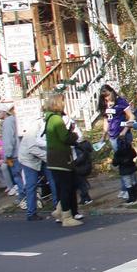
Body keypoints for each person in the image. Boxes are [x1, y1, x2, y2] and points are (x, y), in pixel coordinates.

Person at [43, 94, 82, 227]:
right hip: (61, 158)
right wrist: (74, 135)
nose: (65, 104)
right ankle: (66, 216)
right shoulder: (57, 120)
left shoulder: (49, 119)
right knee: (67, 187)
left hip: (53, 158)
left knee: (64, 186)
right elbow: (65, 138)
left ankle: (59, 210)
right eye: (63, 102)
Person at [17, 118, 48, 221]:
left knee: (35, 184)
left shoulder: (41, 127)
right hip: (28, 161)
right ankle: (31, 212)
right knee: (32, 185)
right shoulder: (33, 131)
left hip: (36, 158)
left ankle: (58, 207)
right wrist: (47, 157)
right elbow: (32, 148)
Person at [98, 85, 133, 155]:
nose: (107, 98)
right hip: (113, 137)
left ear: (112, 91)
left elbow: (131, 117)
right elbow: (106, 121)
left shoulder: (121, 102)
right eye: (105, 96)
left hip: (123, 135)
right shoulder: (105, 104)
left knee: (127, 159)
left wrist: (124, 131)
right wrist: (103, 136)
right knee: (119, 158)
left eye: (108, 95)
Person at [0, 107, 24, 200]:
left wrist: (7, 155)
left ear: (5, 112)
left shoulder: (7, 122)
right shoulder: (14, 120)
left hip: (13, 155)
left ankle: (22, 196)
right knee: (21, 175)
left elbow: (8, 140)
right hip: (19, 152)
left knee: (17, 176)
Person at [72, 136, 94, 205]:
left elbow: (79, 160)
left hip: (80, 169)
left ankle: (86, 198)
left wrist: (73, 162)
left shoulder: (78, 148)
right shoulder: (84, 147)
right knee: (82, 183)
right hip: (84, 167)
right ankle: (84, 198)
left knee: (81, 184)